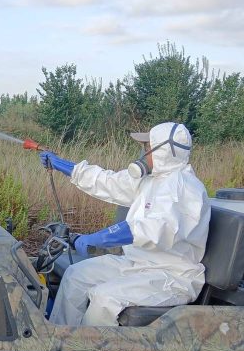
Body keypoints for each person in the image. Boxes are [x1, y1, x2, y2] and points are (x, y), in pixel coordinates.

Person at [40, 122, 210, 326]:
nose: (142, 152)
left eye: (146, 147)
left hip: (172, 276)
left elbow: (156, 229)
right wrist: (64, 166)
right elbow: (109, 182)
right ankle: (59, 341)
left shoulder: (185, 188)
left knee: (104, 298)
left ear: (162, 150)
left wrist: (100, 238)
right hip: (138, 264)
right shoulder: (151, 180)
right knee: (76, 275)